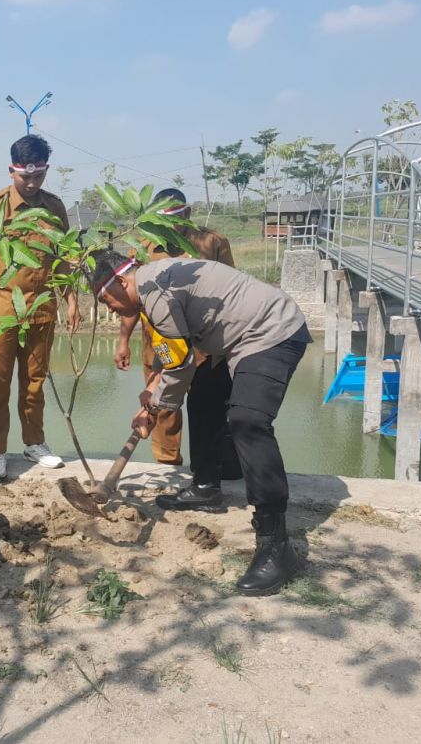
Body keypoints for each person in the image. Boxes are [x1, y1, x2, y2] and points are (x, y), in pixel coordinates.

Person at [92, 249, 311, 596]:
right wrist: (152, 394)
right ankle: (207, 487)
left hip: (271, 331)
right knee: (206, 392)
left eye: (107, 300)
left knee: (248, 421)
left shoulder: (156, 293)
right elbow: (175, 356)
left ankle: (276, 545)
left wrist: (156, 405)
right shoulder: (151, 287)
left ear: (122, 281)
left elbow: (179, 368)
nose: (110, 309)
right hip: (233, 340)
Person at [0, 134, 81, 480]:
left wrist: (72, 299)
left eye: (38, 176)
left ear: (46, 171)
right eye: (24, 176)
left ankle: (34, 443)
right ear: (11, 171)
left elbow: (64, 257)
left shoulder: (54, 208)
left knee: (34, 383)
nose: (31, 183)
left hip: (41, 310)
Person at [113, 188, 241, 482]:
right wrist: (122, 341)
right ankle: (168, 465)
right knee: (162, 404)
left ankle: (209, 468)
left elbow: (230, 290)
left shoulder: (212, 242)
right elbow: (131, 300)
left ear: (187, 213)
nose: (169, 227)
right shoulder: (142, 248)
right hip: (158, 343)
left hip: (205, 343)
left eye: (175, 218)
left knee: (208, 405)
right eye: (162, 220)